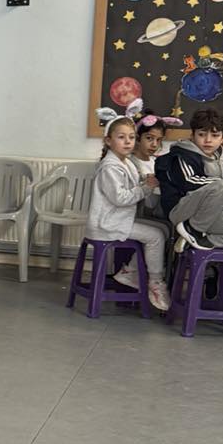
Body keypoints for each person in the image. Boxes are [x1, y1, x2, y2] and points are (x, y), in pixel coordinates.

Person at [86, 116, 169, 310]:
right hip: (106, 224)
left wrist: (145, 183)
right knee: (156, 236)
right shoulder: (110, 167)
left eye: (131, 137)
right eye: (121, 137)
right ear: (108, 141)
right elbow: (121, 198)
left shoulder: (126, 163)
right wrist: (146, 187)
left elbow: (133, 189)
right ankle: (155, 282)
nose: (128, 142)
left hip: (118, 219)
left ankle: (130, 271)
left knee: (164, 229)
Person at [155, 107, 223, 248]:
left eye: (215, 136)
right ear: (192, 135)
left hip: (207, 211)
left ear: (222, 138)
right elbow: (188, 181)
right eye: (202, 134)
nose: (208, 140)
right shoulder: (182, 155)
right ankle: (192, 229)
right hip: (181, 210)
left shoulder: (222, 158)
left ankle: (194, 240)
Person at [129, 109, 178, 218]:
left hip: (157, 212)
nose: (154, 144)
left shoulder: (157, 162)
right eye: (149, 138)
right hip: (139, 215)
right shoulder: (130, 164)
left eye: (158, 140)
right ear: (137, 137)